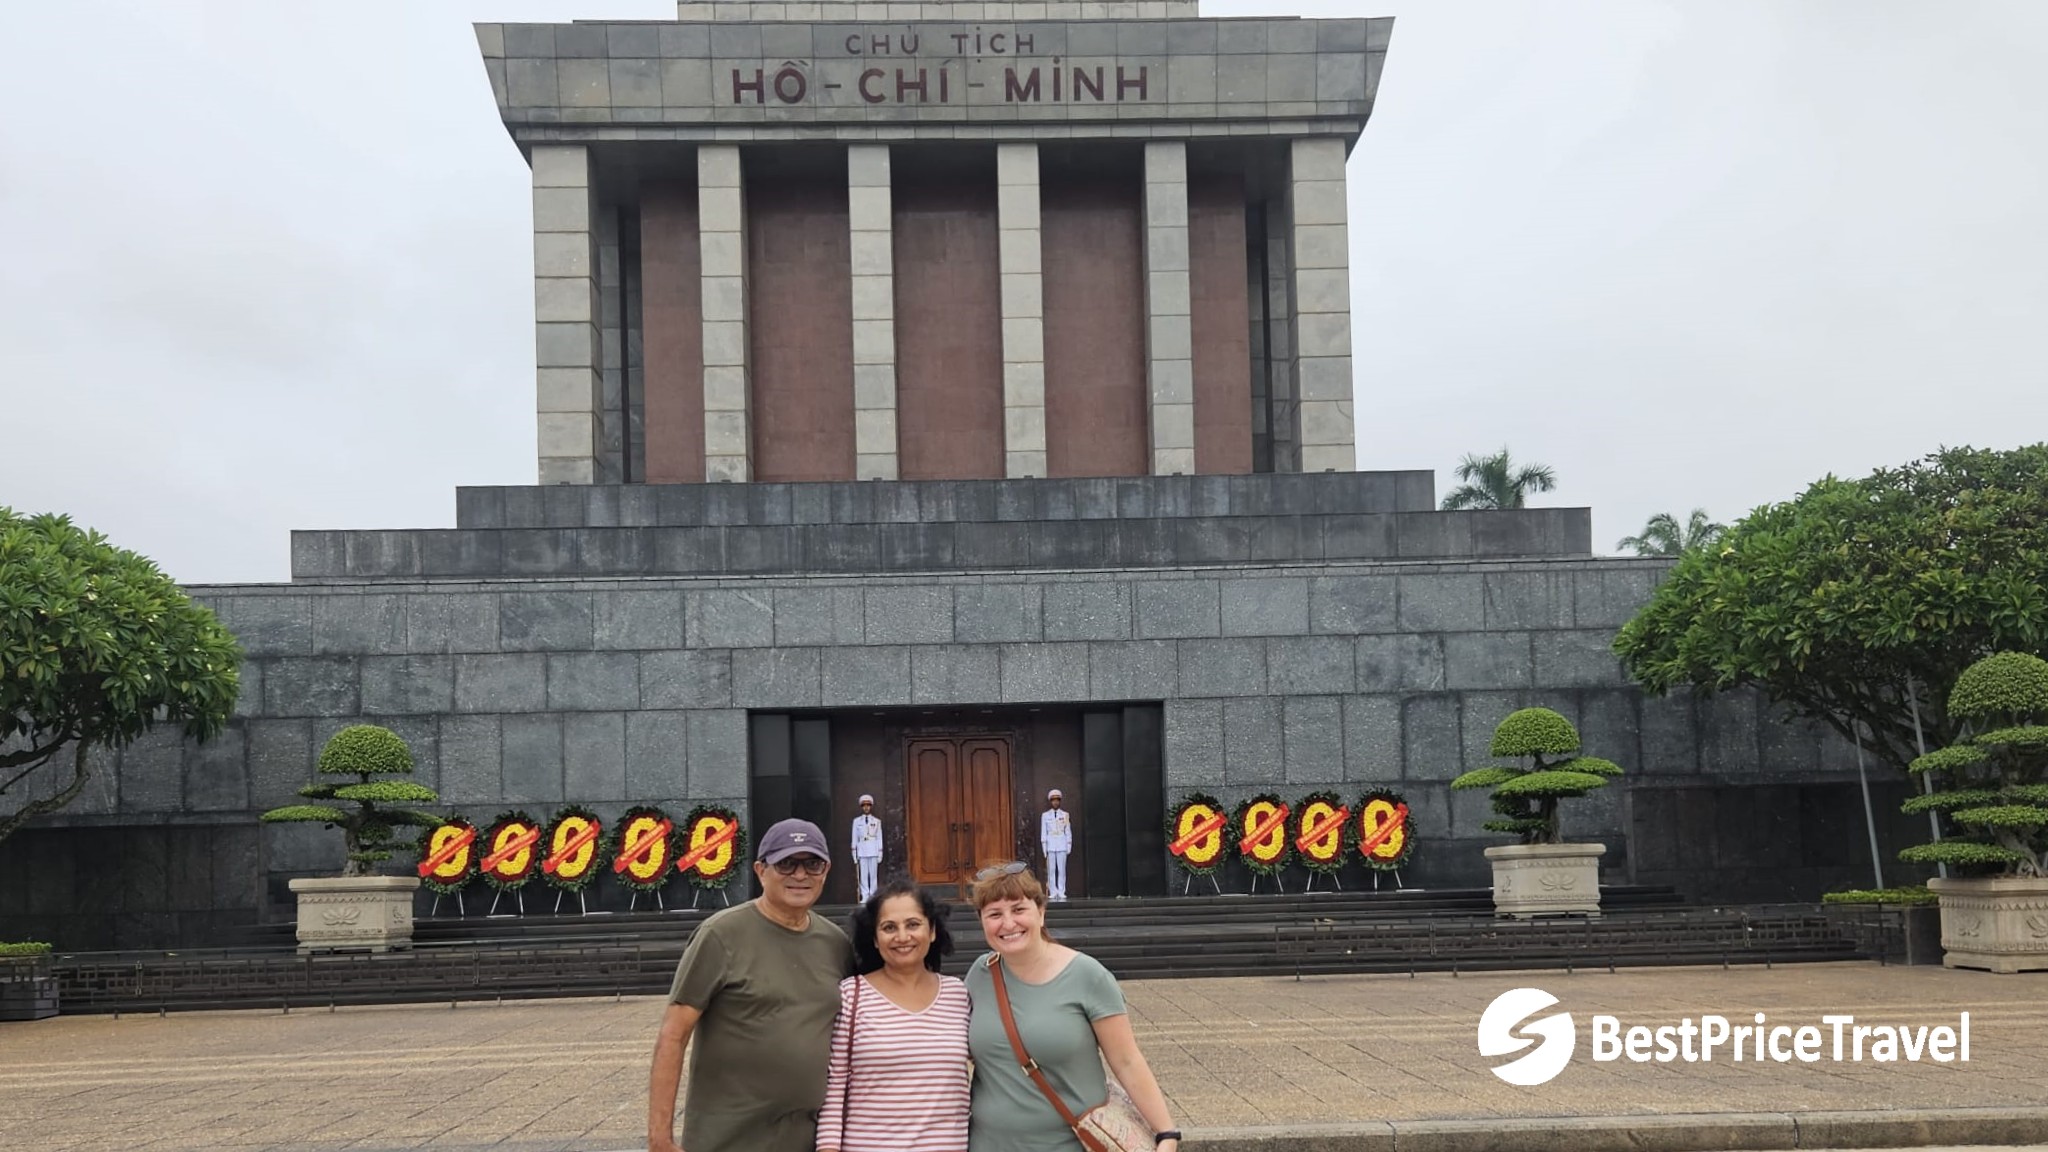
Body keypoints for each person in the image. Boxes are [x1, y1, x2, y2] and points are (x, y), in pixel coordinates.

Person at [649, 818, 855, 1152]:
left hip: (809, 1141)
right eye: (786, 863)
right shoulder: (720, 935)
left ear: (827, 870)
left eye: (812, 864)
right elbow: (673, 1035)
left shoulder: (835, 943)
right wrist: (660, 1137)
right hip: (729, 1140)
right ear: (761, 870)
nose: (800, 875)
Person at [964, 863, 1180, 1152]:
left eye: (1018, 909)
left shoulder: (1087, 976)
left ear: (1040, 912)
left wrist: (1166, 1132)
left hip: (1068, 1144)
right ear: (982, 921)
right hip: (989, 1145)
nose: (1007, 923)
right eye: (994, 914)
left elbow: (1126, 1060)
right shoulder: (980, 974)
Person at [817, 879, 971, 1152]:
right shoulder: (852, 995)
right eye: (889, 927)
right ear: (875, 939)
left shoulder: (958, 995)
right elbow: (834, 1089)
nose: (902, 937)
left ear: (932, 930)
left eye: (913, 924)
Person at [1038, 789, 1072, 901]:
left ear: (1060, 801)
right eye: (1053, 800)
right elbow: (1044, 831)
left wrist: (1068, 844)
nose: (1055, 802)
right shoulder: (1045, 815)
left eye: (1057, 800)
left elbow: (1068, 830)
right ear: (1050, 802)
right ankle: (1053, 891)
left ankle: (1061, 891)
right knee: (1051, 870)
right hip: (1051, 844)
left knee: (1061, 870)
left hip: (1061, 843)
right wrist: (1044, 846)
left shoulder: (1065, 815)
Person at [851, 794, 883, 903]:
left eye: (868, 805)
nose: (866, 808)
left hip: (873, 849)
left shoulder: (876, 821)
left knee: (873, 875)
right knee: (863, 875)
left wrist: (880, 852)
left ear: (871, 806)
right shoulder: (856, 821)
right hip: (862, 850)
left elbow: (879, 837)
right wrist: (854, 853)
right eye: (864, 805)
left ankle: (873, 895)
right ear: (861, 807)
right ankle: (865, 895)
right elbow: (854, 837)